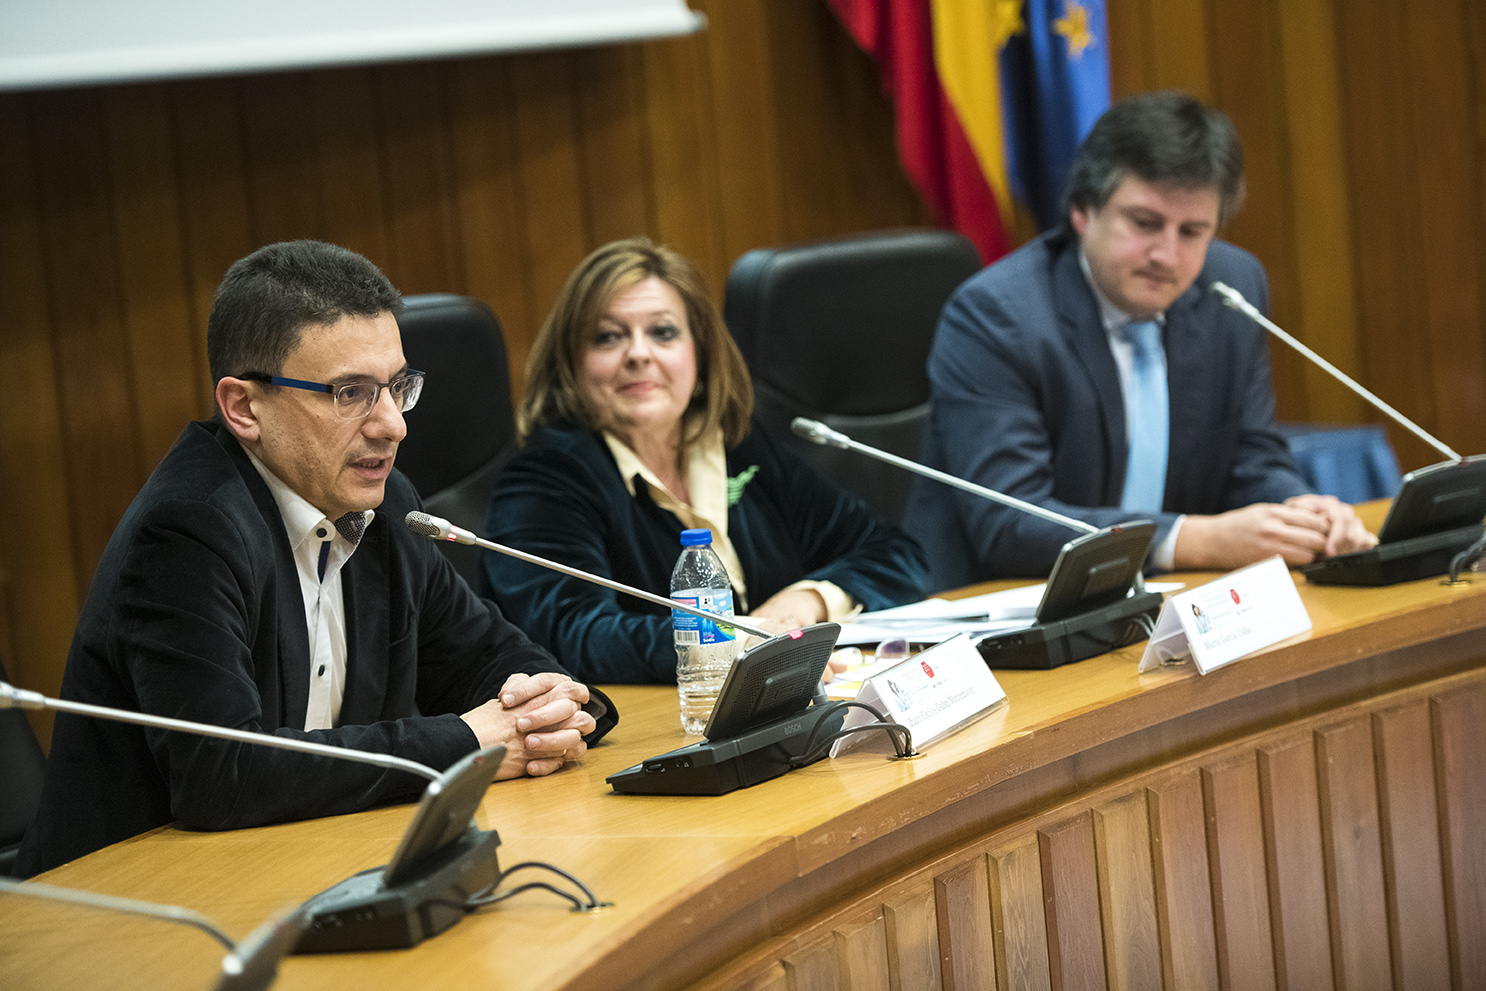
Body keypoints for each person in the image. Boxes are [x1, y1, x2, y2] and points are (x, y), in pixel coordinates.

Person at [16, 241, 615, 877]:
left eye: (397, 388)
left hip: (300, 869)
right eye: (350, 393)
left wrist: (554, 704)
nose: (393, 426)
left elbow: (487, 658)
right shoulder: (187, 532)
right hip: (127, 907)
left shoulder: (388, 510)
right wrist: (470, 742)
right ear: (244, 407)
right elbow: (225, 774)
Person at [908, 91, 1377, 589]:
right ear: (1083, 211)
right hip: (999, 612)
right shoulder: (998, 317)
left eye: (1193, 231)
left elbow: (1251, 458)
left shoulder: (1229, 290)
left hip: (1159, 602)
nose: (1167, 256)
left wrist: (1299, 512)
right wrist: (1191, 540)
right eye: (1145, 223)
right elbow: (1011, 524)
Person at [482, 237, 930, 683]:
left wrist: (803, 603)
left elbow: (895, 553)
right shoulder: (547, 479)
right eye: (608, 337)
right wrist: (737, 640)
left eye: (663, 332)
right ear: (571, 365)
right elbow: (574, 638)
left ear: (699, 352)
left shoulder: (738, 446)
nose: (639, 353)